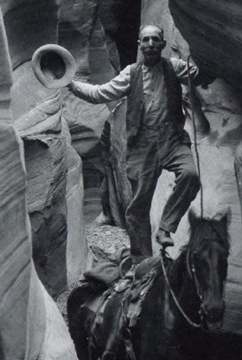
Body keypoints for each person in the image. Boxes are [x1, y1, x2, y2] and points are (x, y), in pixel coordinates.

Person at [67, 25, 212, 265]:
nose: (151, 44)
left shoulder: (174, 67)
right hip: (143, 146)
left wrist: (207, 54)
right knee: (137, 208)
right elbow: (99, 93)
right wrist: (71, 84)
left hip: (172, 141)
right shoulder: (130, 74)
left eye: (156, 39)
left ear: (163, 44)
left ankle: (166, 227)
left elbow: (199, 75)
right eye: (146, 40)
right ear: (140, 44)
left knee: (190, 175)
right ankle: (141, 261)